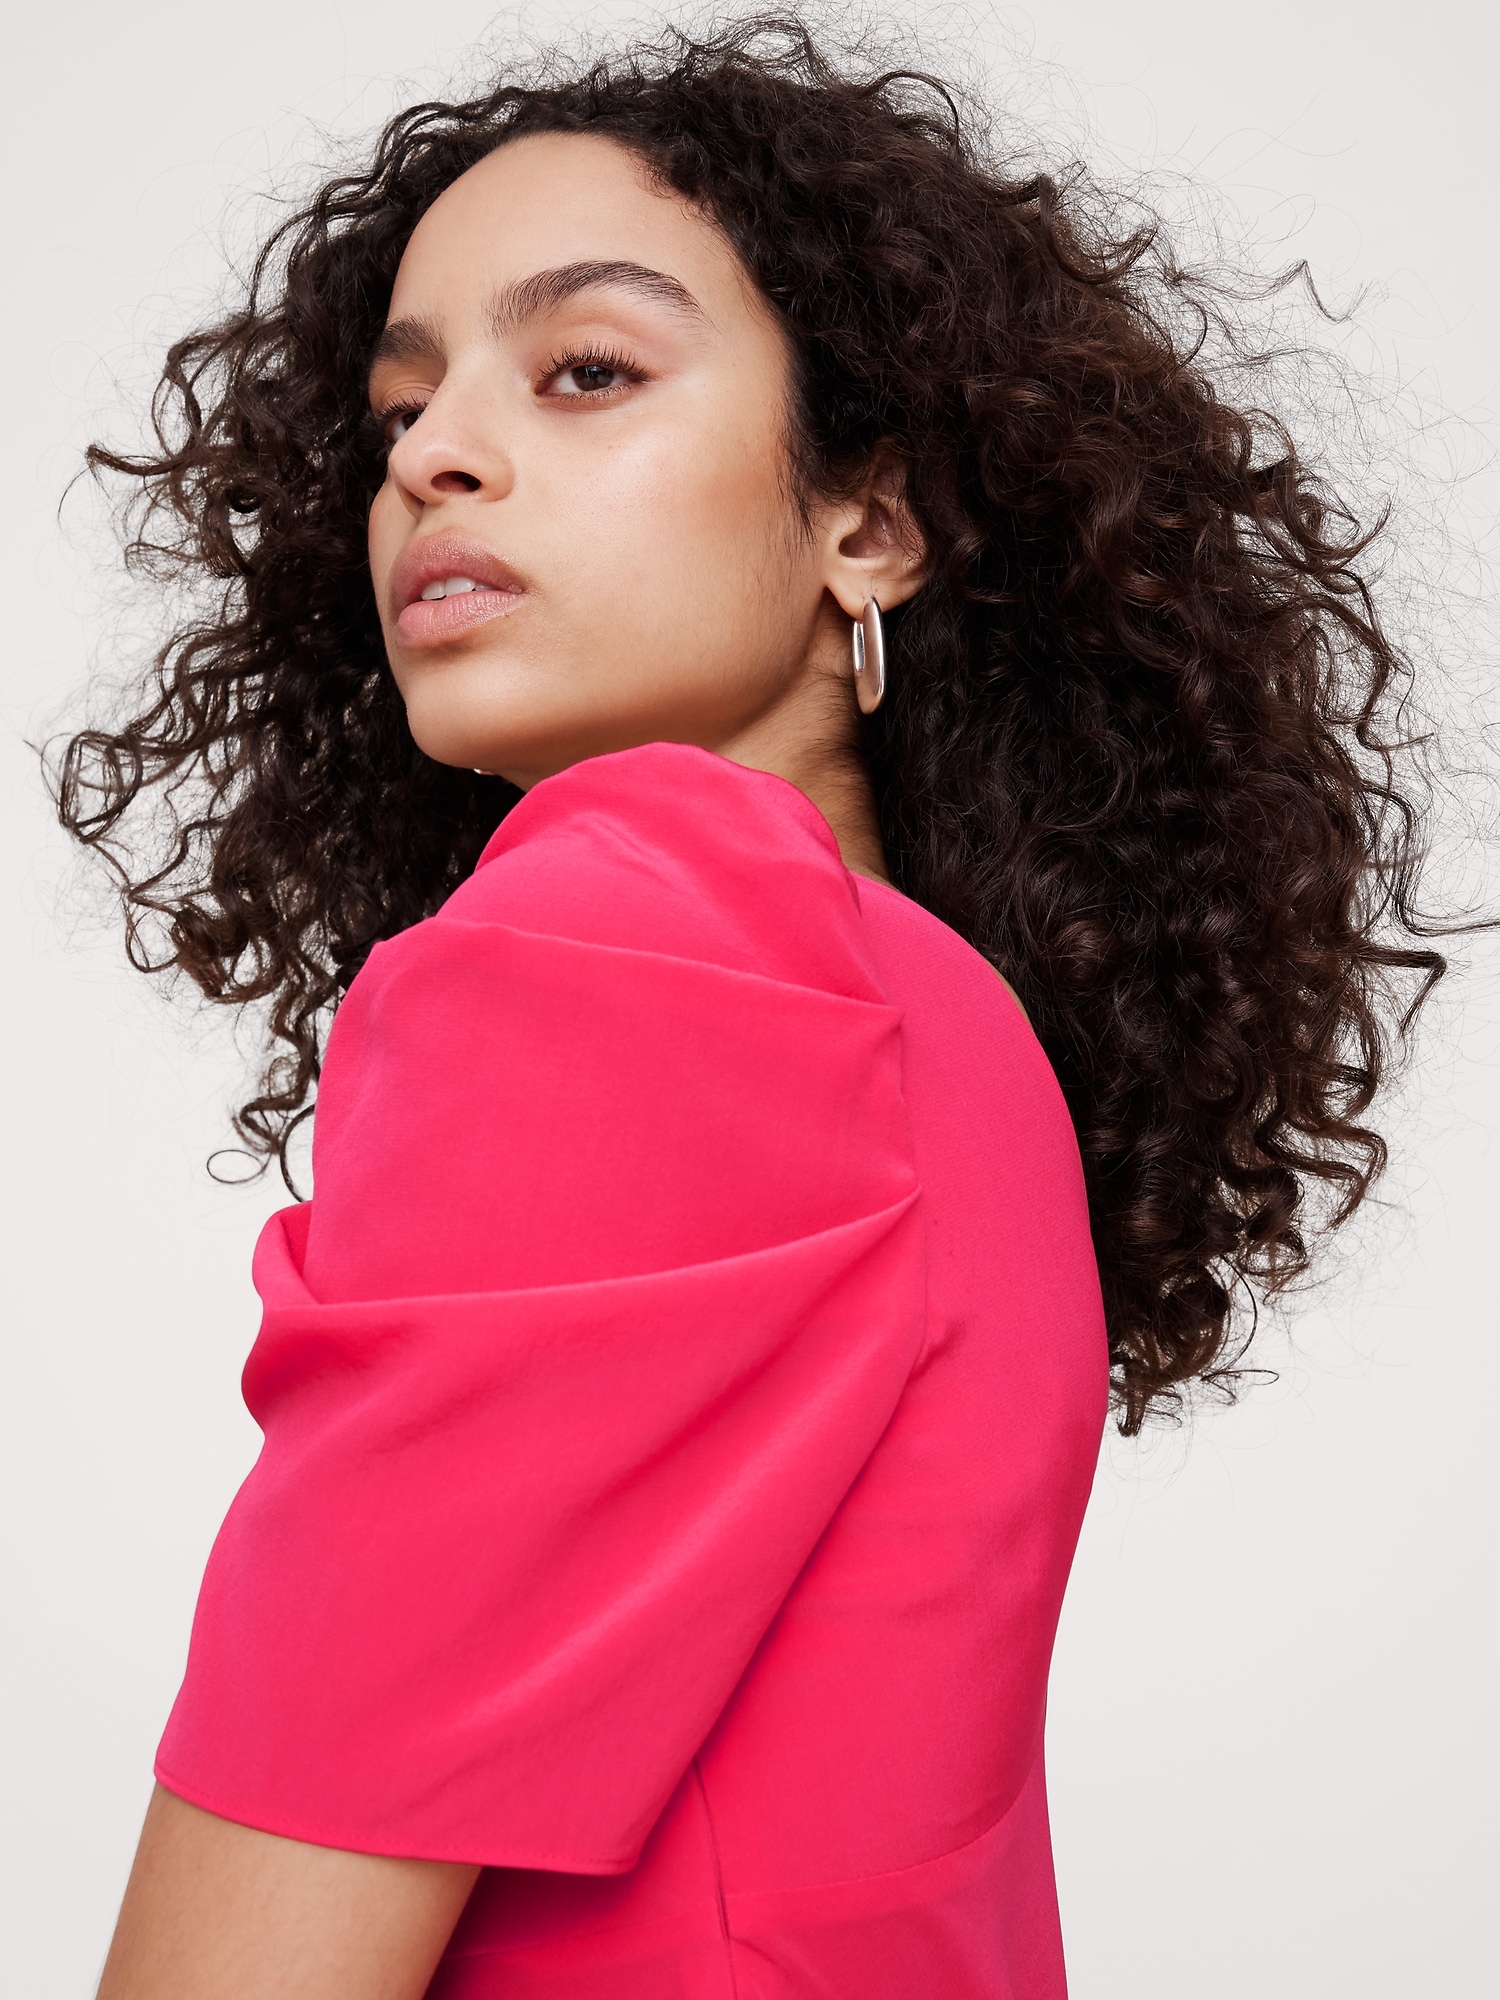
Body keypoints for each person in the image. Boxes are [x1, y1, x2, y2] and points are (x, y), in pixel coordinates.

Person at [61, 21, 1444, 1999]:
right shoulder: (931, 1010)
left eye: (587, 370)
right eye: (402, 410)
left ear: (865, 523)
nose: (433, 455)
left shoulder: (639, 937)